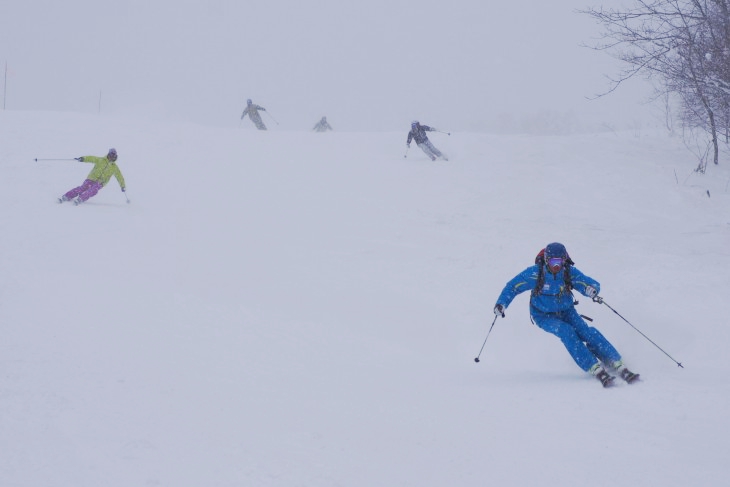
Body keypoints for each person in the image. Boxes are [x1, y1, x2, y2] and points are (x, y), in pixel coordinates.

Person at [492, 242, 639, 387]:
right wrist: (501, 304)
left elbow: (589, 283)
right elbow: (512, 287)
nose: (556, 265)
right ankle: (593, 366)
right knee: (566, 332)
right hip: (543, 315)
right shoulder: (535, 274)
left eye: (560, 261)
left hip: (567, 311)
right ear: (546, 260)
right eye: (553, 261)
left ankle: (615, 361)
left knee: (586, 332)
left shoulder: (568, 272)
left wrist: (591, 289)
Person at [58, 148, 126, 206]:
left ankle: (81, 198)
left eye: (113, 156)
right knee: (83, 188)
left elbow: (119, 176)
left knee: (93, 190)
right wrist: (83, 158)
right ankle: (67, 196)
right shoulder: (100, 160)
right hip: (91, 178)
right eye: (111, 155)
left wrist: (122, 186)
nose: (112, 157)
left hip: (101, 182)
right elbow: (91, 158)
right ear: (108, 154)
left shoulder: (114, 167)